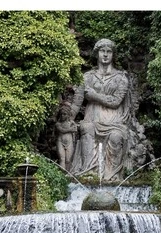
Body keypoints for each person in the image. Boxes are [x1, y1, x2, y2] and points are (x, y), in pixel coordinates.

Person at [70, 39, 132, 181]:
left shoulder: (121, 78)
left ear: (113, 55)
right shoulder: (87, 77)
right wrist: (69, 119)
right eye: (102, 51)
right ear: (97, 54)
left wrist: (93, 95)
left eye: (108, 52)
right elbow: (77, 102)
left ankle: (111, 175)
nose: (105, 55)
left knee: (116, 136)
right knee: (86, 128)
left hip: (114, 121)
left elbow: (116, 101)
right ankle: (89, 171)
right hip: (92, 118)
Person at [55, 104, 77, 171]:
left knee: (68, 160)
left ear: (68, 115)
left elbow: (75, 129)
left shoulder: (71, 123)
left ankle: (67, 175)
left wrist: (72, 129)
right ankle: (62, 175)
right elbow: (61, 130)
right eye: (61, 114)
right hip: (60, 141)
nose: (62, 116)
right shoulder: (58, 124)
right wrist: (70, 129)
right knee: (62, 159)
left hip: (69, 142)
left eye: (64, 114)